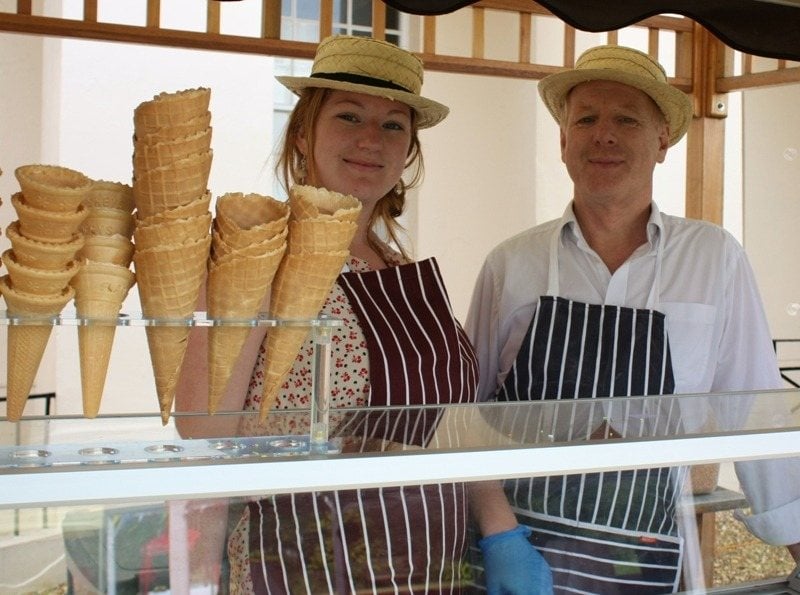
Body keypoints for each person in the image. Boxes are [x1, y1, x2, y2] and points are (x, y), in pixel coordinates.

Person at [176, 35, 550, 594]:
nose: (371, 140)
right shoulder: (254, 257)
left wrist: (501, 532)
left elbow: (454, 423)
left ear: (409, 152)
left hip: (437, 562)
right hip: (307, 562)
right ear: (304, 132)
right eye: (349, 116)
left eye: (394, 125)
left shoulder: (399, 266)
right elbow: (202, 427)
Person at [464, 44, 800, 593]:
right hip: (520, 555)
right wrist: (499, 539)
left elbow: (752, 404)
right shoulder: (511, 263)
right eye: (586, 119)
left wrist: (797, 539)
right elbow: (466, 413)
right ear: (564, 141)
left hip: (646, 555)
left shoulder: (712, 257)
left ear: (662, 140)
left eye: (627, 119)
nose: (604, 135)